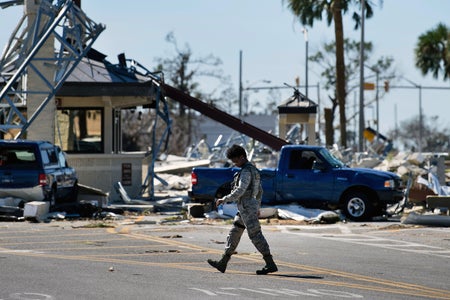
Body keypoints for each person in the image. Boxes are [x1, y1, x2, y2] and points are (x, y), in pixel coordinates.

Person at [207, 144, 278, 275]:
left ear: (242, 157)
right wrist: (257, 206)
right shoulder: (253, 170)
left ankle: (270, 263)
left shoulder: (246, 171)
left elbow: (240, 190)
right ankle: (223, 262)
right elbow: (259, 191)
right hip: (247, 207)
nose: (235, 163)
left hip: (247, 207)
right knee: (235, 232)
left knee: (255, 235)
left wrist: (225, 199)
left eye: (236, 160)